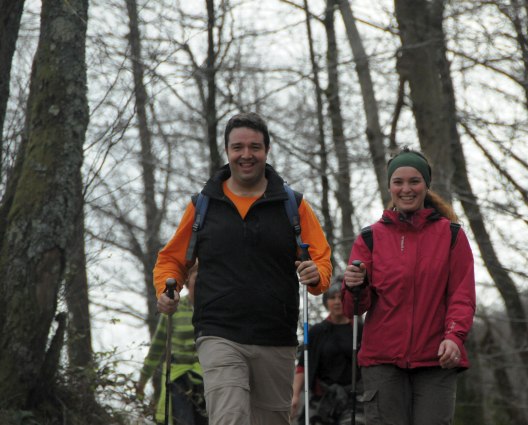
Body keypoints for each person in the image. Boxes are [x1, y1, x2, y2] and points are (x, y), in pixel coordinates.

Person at [154, 112, 333, 425]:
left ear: (267, 150)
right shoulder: (203, 205)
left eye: (255, 147)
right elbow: (172, 259)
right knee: (230, 417)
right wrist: (167, 287)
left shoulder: (293, 205)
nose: (246, 155)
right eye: (238, 147)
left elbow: (321, 259)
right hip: (218, 332)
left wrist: (316, 275)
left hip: (276, 335)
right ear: (227, 151)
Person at [342, 148, 476, 425]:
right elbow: (352, 308)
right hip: (382, 363)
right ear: (389, 186)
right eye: (398, 182)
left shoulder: (452, 235)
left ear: (426, 185)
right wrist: (355, 286)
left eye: (414, 181)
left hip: (437, 361)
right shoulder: (369, 238)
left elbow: (462, 296)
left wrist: (454, 336)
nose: (406, 189)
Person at [137, 262, 207, 425]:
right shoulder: (174, 309)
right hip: (178, 378)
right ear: (188, 281)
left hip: (206, 377)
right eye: (197, 278)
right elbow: (157, 347)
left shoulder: (212, 311)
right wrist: (142, 380)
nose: (200, 284)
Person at [290, 281, 364, 425]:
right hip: (322, 398)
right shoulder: (315, 332)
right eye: (332, 298)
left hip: (353, 398)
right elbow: (302, 366)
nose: (337, 302)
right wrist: (295, 396)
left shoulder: (359, 330)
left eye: (341, 297)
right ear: (326, 302)